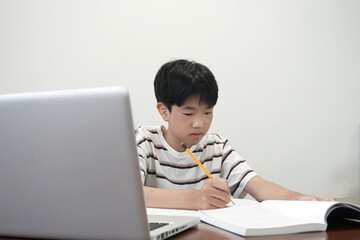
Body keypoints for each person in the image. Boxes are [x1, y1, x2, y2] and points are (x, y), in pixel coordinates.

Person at [135, 59, 335, 210]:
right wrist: (197, 198)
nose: (200, 123)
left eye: (208, 112)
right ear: (164, 111)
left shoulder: (216, 147)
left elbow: (258, 185)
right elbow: (129, 195)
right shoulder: (144, 141)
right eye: (188, 113)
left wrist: (298, 200)